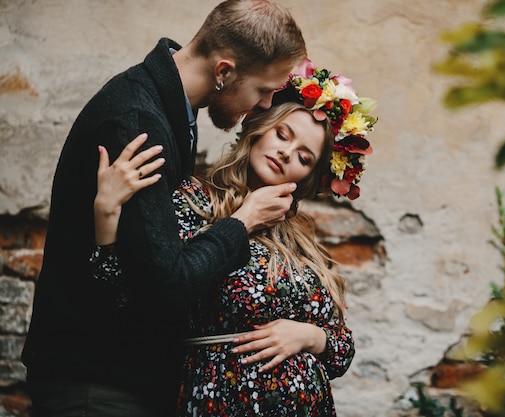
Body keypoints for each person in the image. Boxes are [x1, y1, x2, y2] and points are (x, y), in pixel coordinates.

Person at [21, 1, 307, 416]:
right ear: (224, 72)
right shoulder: (138, 123)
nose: (264, 105)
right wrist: (243, 220)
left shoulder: (171, 110)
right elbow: (165, 283)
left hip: (123, 377)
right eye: (263, 90)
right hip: (95, 383)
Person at [92, 62, 378, 416]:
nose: (287, 153)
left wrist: (307, 336)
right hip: (221, 400)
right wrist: (106, 213)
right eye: (282, 135)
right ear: (260, 130)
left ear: (307, 178)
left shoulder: (299, 239)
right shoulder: (192, 202)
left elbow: (340, 349)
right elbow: (129, 297)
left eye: (304, 157)